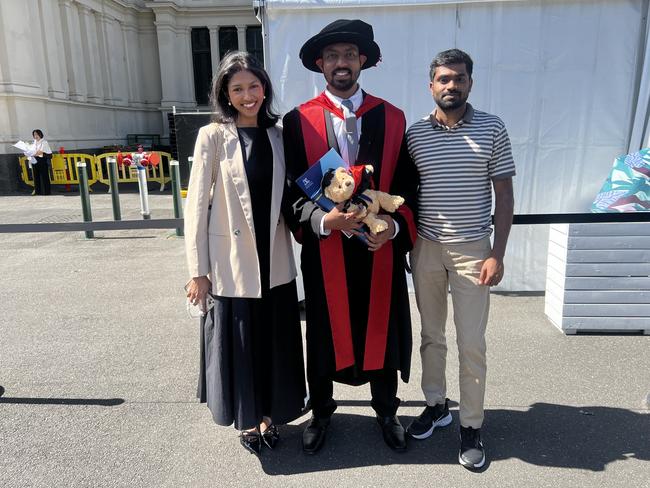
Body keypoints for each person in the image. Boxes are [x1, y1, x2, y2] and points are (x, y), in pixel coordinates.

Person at [283, 19, 419, 454]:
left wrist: (395, 229)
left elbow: (408, 187)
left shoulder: (393, 118)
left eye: (349, 55)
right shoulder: (297, 120)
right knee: (324, 330)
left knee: (383, 325)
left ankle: (386, 410)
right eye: (333, 56)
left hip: (379, 249)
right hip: (326, 249)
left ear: (363, 61)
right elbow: (289, 192)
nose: (341, 63)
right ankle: (321, 411)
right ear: (320, 63)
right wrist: (324, 222)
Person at [184, 51, 306, 455]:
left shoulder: (279, 133)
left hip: (275, 260)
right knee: (242, 344)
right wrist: (197, 270)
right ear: (225, 93)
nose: (248, 95)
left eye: (254, 86)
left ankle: (271, 416)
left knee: (274, 341)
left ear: (265, 87)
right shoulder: (213, 136)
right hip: (232, 263)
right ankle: (249, 421)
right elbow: (196, 207)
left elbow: (292, 194)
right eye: (238, 89)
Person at [405, 49, 515, 469]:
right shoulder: (415, 134)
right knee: (431, 335)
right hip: (427, 248)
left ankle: (471, 426)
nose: (452, 85)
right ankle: (437, 405)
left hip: (473, 251)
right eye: (444, 79)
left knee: (471, 342)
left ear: (471, 83)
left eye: (460, 78)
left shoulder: (492, 128)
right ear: (431, 84)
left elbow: (503, 197)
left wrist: (497, 254)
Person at [30, 129, 53, 195]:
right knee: (36, 177)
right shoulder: (34, 143)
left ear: (40, 134)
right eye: (34, 135)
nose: (36, 136)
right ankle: (38, 192)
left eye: (37, 134)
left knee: (45, 177)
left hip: (42, 160)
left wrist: (32, 154)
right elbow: (31, 150)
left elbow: (40, 151)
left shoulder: (44, 142)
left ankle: (47, 192)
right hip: (35, 160)